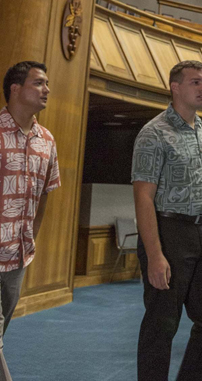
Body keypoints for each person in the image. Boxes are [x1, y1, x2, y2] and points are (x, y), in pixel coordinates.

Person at [131, 60, 202, 381]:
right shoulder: (154, 133)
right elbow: (143, 197)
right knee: (162, 324)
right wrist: (155, 255)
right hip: (168, 231)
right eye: (196, 82)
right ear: (175, 87)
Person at [0, 61, 60, 381]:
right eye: (38, 83)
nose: (46, 89)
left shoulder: (47, 140)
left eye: (47, 83)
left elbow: (46, 193)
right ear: (15, 89)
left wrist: (32, 236)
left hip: (19, 255)